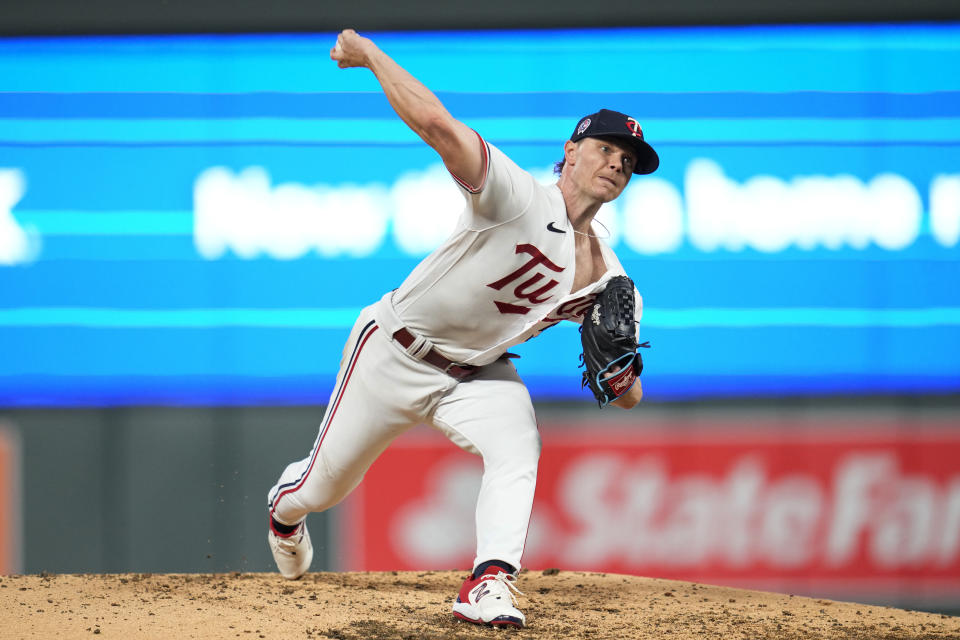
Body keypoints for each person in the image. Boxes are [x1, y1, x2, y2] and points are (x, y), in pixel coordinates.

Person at [266, 29, 659, 629]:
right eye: (607, 148)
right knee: (321, 491)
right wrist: (371, 56)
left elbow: (627, 396)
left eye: (628, 162)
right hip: (395, 351)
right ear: (572, 150)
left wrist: (623, 371)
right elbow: (437, 125)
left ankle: (489, 582)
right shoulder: (518, 196)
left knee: (519, 442)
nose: (617, 163)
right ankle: (285, 510)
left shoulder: (610, 278)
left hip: (476, 374)